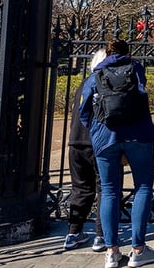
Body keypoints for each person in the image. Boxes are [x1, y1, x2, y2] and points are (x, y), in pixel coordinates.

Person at [80, 40, 154, 268]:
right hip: (138, 134)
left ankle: (111, 252)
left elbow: (83, 111)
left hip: (106, 137)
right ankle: (138, 249)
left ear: (106, 53)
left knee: (109, 190)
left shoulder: (96, 75)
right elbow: (142, 94)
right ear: (128, 52)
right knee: (143, 187)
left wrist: (97, 131)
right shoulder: (136, 69)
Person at [64, 49, 107, 252]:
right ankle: (101, 235)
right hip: (98, 143)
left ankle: (73, 233)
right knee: (104, 190)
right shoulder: (105, 83)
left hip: (75, 142)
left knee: (80, 189)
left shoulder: (83, 84)